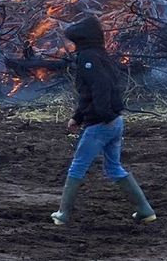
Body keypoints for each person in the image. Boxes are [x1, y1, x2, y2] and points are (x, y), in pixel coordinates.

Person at [51, 16, 156, 225]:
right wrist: (77, 117)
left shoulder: (88, 58)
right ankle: (145, 210)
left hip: (102, 124)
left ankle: (63, 214)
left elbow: (100, 88)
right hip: (115, 121)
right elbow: (89, 94)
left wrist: (102, 115)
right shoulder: (99, 55)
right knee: (114, 168)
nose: (71, 45)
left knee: (77, 166)